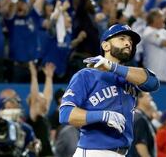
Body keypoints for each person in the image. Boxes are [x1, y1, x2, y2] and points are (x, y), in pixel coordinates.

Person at [59, 24, 160, 157]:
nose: (128, 43)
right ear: (105, 46)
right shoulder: (86, 75)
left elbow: (153, 82)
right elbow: (65, 114)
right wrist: (102, 115)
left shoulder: (129, 77)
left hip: (122, 153)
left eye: (130, 41)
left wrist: (112, 67)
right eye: (122, 39)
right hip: (93, 152)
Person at [128, 92, 157, 157]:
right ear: (140, 99)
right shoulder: (139, 118)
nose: (151, 98)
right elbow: (140, 145)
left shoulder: (142, 117)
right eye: (148, 96)